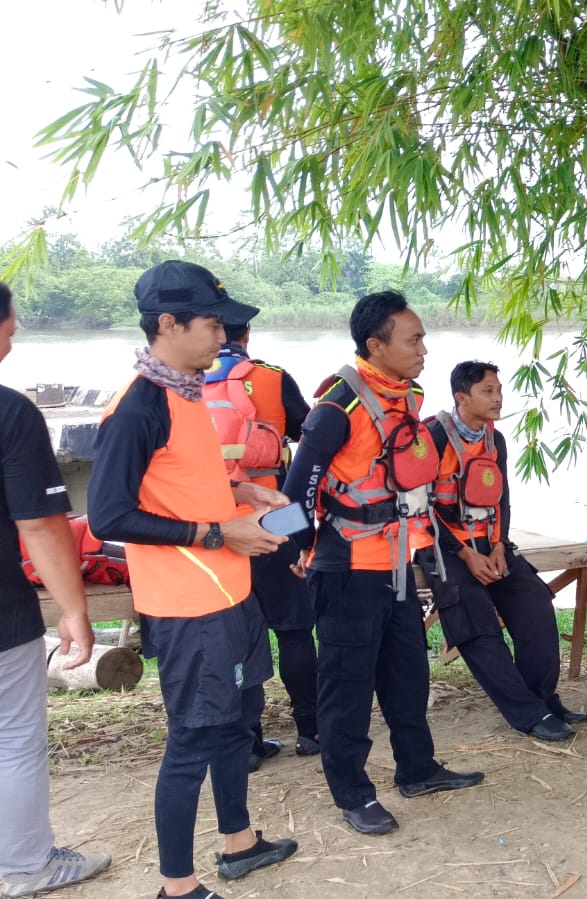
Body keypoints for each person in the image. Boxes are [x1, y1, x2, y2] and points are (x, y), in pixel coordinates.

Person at [88, 261, 297, 899]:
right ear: (169, 323)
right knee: (192, 740)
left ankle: (239, 842)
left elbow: (181, 482)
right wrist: (217, 533)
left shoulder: (186, 390)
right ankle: (177, 886)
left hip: (230, 591)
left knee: (239, 719)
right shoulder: (137, 406)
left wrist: (242, 489)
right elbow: (109, 516)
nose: (224, 337)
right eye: (212, 323)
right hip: (188, 606)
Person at [280, 291, 483, 836]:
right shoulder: (338, 407)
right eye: (413, 339)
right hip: (347, 571)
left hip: (397, 567)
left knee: (408, 676)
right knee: (346, 690)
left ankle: (417, 769)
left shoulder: (406, 397)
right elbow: (295, 491)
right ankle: (352, 794)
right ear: (376, 345)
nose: (423, 349)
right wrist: (297, 549)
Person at [0, 281, 113, 898]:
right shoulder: (9, 411)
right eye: (12, 331)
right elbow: (42, 525)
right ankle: (26, 865)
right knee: (14, 737)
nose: (12, 344)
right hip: (2, 618)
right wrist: (74, 611)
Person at [424, 361, 587, 742]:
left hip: (491, 544)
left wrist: (499, 545)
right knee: (477, 628)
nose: (498, 398)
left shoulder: (494, 441)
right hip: (444, 548)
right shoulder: (433, 438)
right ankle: (526, 714)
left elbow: (503, 501)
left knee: (535, 606)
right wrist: (466, 554)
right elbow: (421, 508)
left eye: (499, 390)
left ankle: (543, 699)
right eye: (488, 391)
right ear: (461, 397)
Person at [205, 315, 320, 766]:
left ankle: (248, 742)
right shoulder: (271, 378)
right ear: (246, 335)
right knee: (294, 628)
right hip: (274, 516)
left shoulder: (184, 384)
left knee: (237, 634)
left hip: (214, 525)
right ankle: (310, 731)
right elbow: (311, 440)